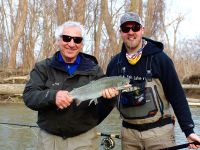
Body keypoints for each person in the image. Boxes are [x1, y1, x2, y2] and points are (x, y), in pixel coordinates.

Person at [106, 12, 200, 150]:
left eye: (135, 27)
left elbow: (177, 96)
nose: (131, 32)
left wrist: (189, 130)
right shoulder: (115, 63)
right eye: (126, 29)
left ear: (142, 30)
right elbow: (105, 103)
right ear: (121, 32)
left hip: (160, 134)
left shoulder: (160, 59)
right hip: (128, 136)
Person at [23, 21, 119, 150]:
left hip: (84, 139)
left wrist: (110, 98)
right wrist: (52, 96)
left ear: (82, 44)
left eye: (77, 40)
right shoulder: (43, 67)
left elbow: (103, 108)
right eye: (67, 38)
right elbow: (29, 96)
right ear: (58, 41)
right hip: (48, 140)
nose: (71, 44)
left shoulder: (94, 70)